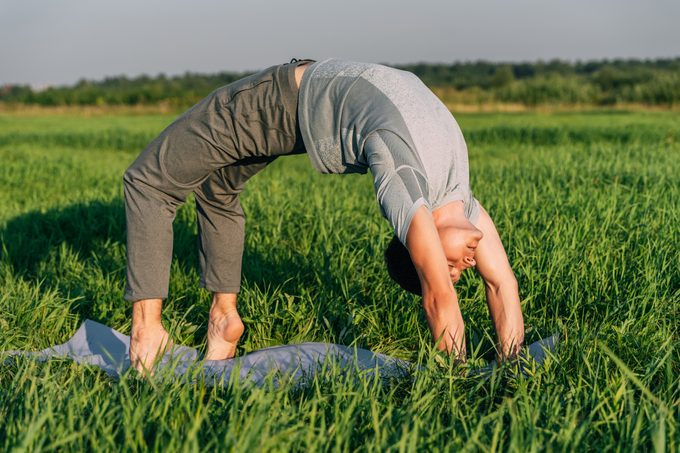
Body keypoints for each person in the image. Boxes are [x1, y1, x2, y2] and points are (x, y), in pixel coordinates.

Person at [123, 58, 524, 374]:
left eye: (454, 266)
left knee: (148, 180)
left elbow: (492, 285)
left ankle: (148, 332)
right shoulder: (450, 195)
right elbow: (457, 292)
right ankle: (219, 319)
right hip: (286, 100)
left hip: (291, 104)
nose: (467, 264)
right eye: (452, 265)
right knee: (209, 186)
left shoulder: (419, 191)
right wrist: (458, 376)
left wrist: (512, 365)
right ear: (423, 239)